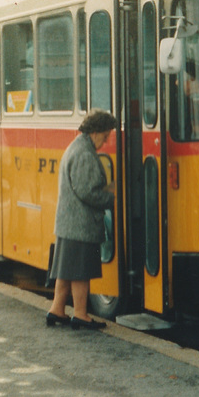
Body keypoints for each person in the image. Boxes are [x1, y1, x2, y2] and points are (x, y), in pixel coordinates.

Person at [46, 110, 118, 330]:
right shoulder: (85, 153)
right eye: (105, 136)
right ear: (94, 132)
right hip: (80, 224)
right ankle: (80, 314)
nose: (106, 141)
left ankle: (57, 310)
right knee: (80, 272)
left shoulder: (75, 147)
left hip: (69, 223)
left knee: (66, 270)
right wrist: (111, 196)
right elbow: (88, 191)